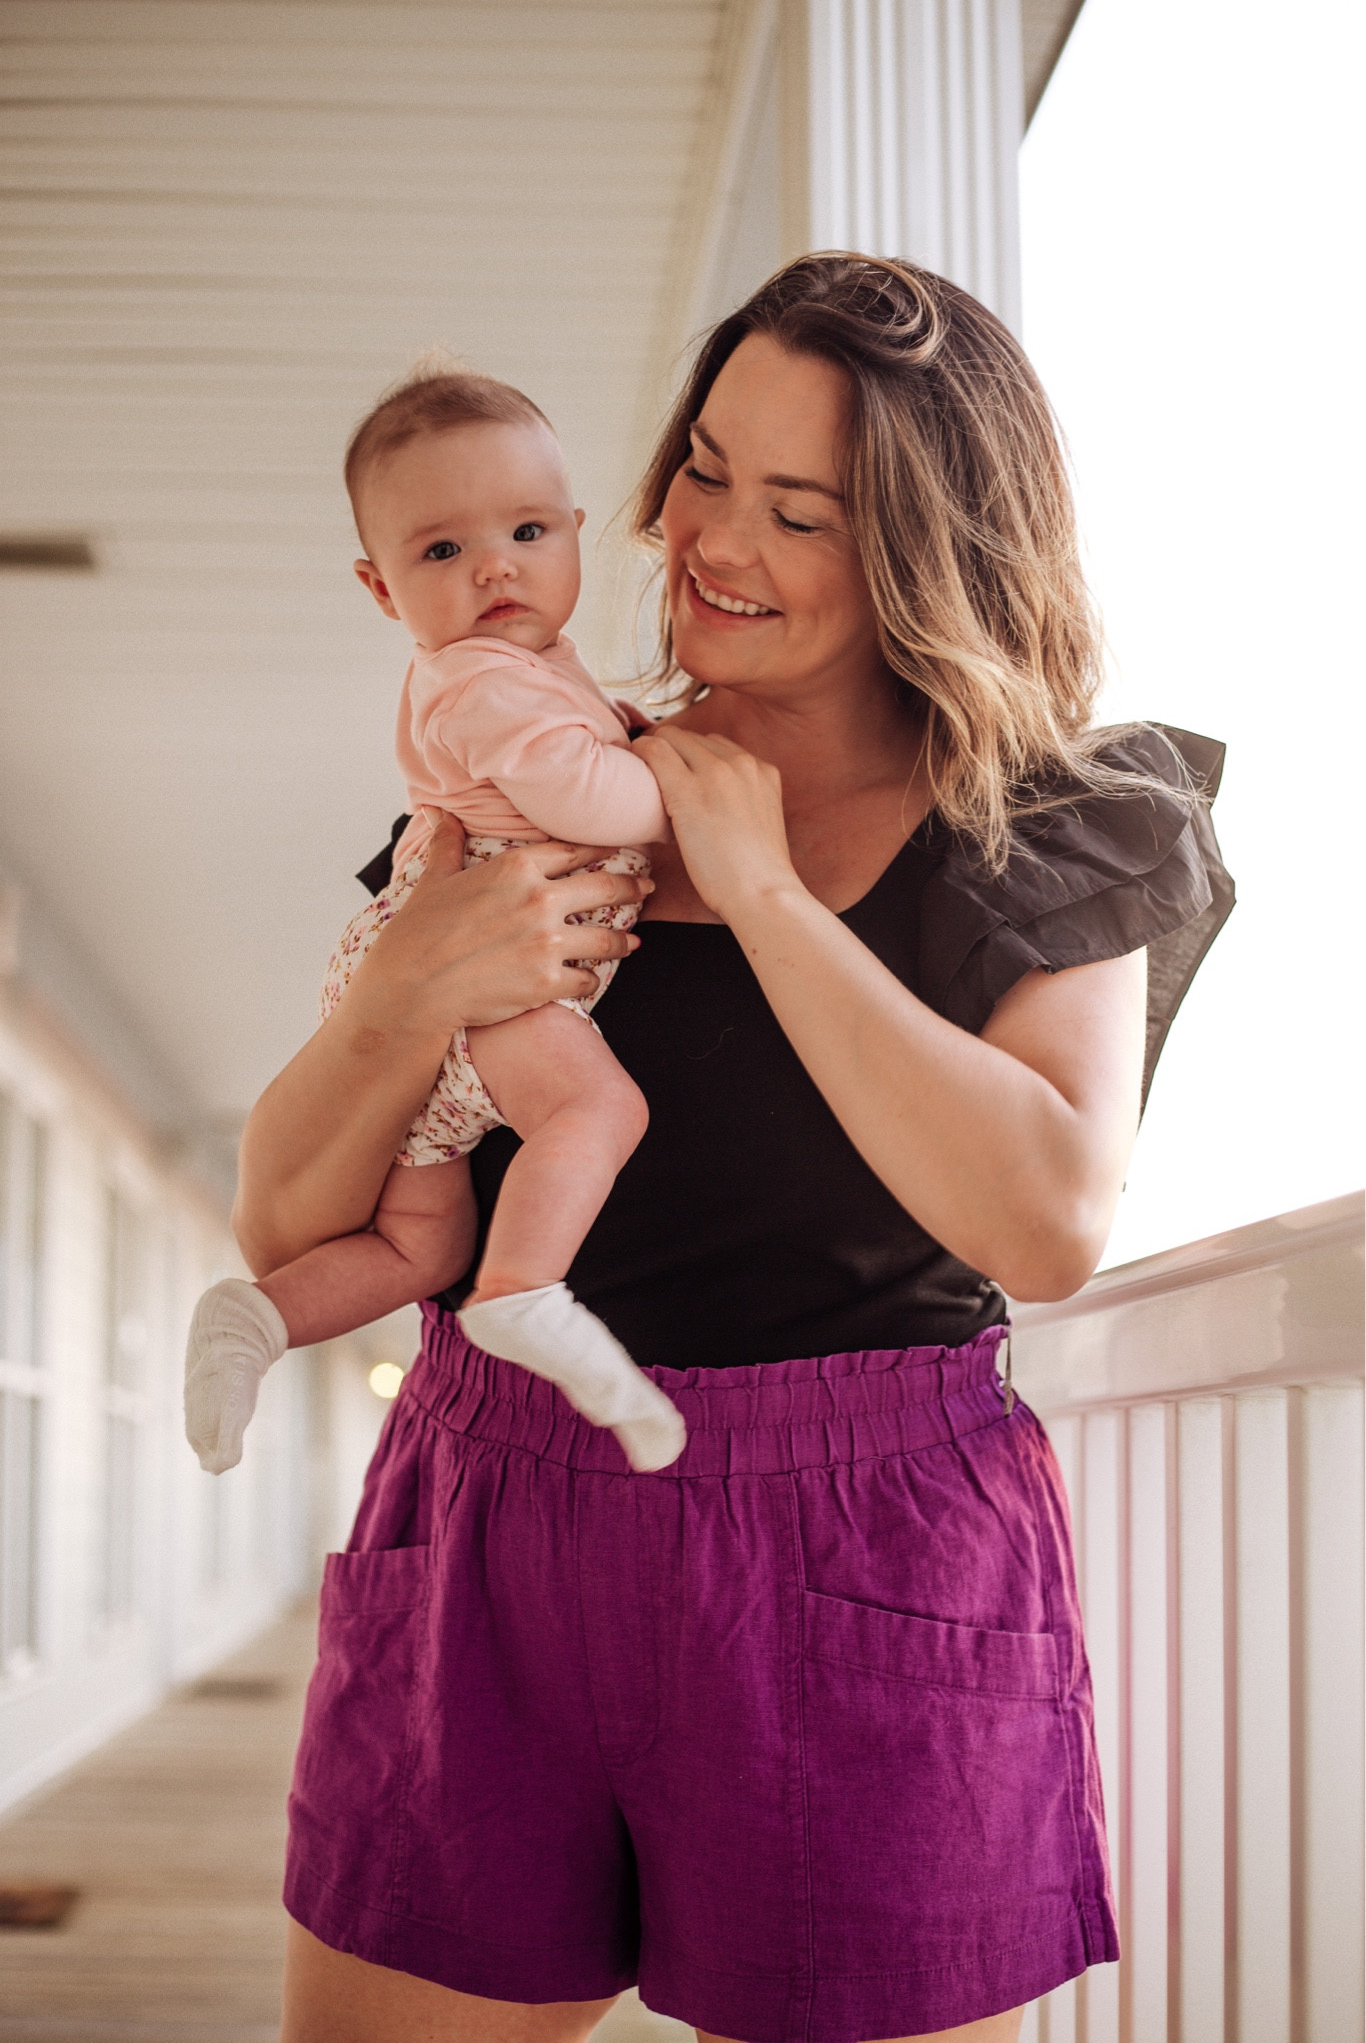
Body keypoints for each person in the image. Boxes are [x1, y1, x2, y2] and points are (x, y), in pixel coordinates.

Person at [235, 255, 1232, 2043]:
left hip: (863, 1563)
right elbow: (289, 1225)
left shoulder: (1063, 821)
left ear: (926, 547)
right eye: (704, 467)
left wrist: (761, 887)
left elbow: (1047, 1221)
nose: (709, 540)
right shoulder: (538, 781)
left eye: (799, 510)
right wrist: (405, 989)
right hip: (486, 1525)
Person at [183, 371, 684, 1478]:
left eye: (526, 531)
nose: (495, 566)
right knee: (598, 1106)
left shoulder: (527, 669)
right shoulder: (477, 681)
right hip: (484, 967)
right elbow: (586, 798)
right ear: (381, 588)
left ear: (576, 532)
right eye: (444, 550)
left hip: (455, 965)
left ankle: (254, 1320)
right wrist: (684, 784)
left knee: (421, 1242)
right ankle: (523, 1290)